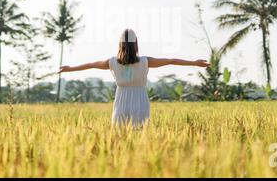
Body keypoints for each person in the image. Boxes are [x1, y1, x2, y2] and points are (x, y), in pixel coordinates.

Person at [58, 29, 210, 127]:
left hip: (121, 101)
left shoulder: (111, 62)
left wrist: (70, 69)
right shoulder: (145, 61)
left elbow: (90, 65)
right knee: (139, 134)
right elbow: (171, 60)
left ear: (120, 45)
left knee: (120, 137)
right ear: (136, 44)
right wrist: (194, 63)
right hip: (140, 99)